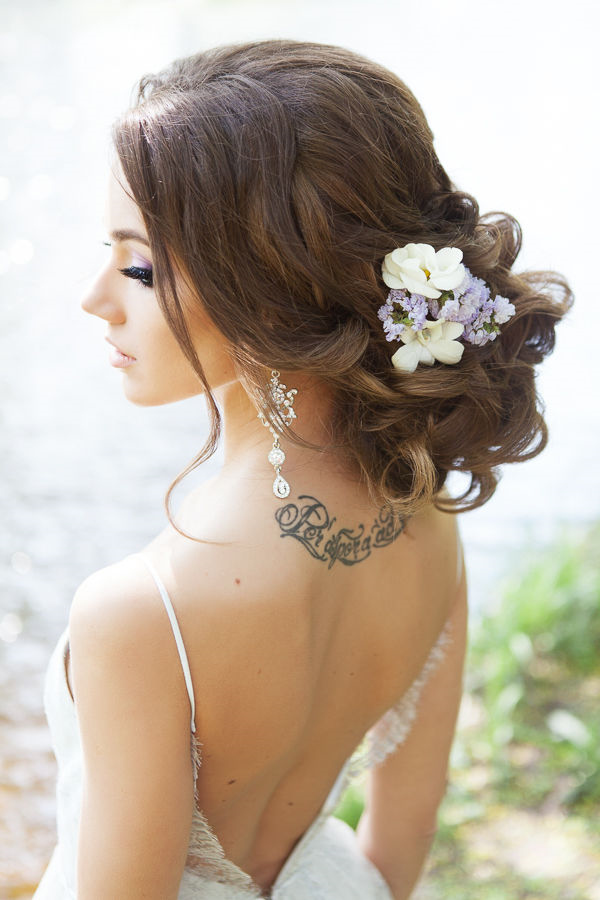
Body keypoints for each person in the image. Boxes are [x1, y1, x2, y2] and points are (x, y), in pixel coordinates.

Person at [33, 39, 571, 900]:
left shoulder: (141, 610)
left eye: (136, 266)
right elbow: (399, 841)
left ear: (266, 290)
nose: (96, 297)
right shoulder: (429, 518)